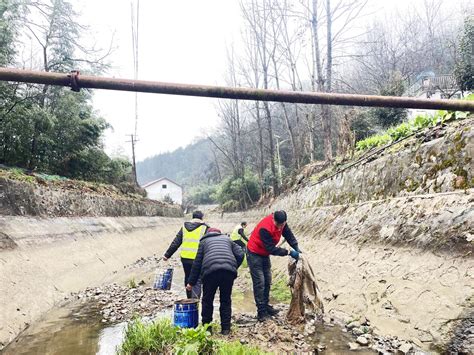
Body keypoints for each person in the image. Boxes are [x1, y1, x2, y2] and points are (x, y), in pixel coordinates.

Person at [186, 228, 244, 335]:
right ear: (219, 233)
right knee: (225, 300)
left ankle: (207, 329)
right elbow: (240, 253)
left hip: (210, 273)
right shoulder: (227, 239)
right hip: (228, 272)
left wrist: (190, 283)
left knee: (207, 300)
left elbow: (197, 264)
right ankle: (226, 329)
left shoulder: (203, 242)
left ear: (207, 234)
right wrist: (233, 266)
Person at [246, 210, 301, 321]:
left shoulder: (283, 224)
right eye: (278, 224)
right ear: (273, 219)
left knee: (267, 279)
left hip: (264, 254)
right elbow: (270, 248)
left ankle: (266, 306)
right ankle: (261, 312)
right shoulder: (265, 228)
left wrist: (296, 247)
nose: (280, 227)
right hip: (254, 253)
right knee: (260, 282)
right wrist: (289, 252)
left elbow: (289, 235)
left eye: (282, 224)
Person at [163, 210, 208, 298]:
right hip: (198, 259)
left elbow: (176, 242)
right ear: (201, 218)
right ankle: (195, 302)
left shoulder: (184, 226)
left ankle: (189, 298)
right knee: (197, 280)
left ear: (192, 217)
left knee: (188, 277)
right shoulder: (204, 227)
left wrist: (167, 255)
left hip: (185, 258)